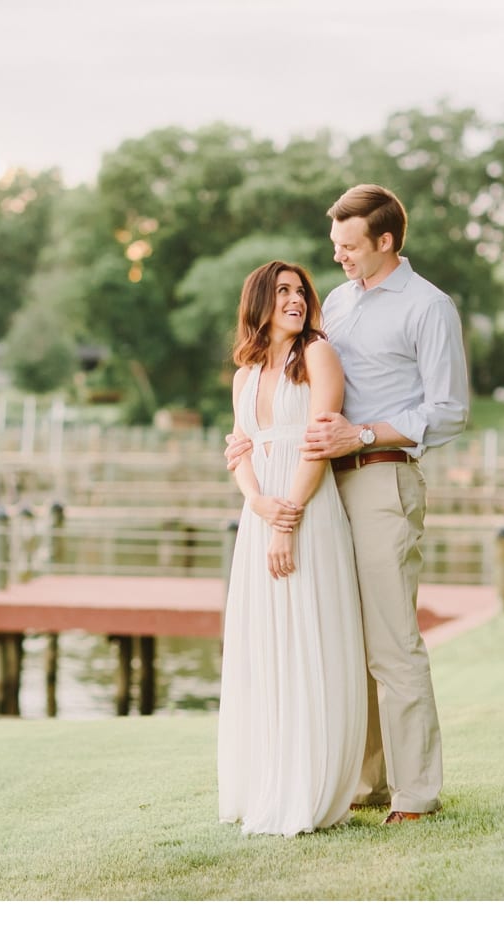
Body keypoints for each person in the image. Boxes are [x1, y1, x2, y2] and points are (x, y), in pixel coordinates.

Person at [226, 184, 470, 825]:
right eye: (334, 246)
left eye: (349, 246)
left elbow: (449, 412)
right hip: (325, 482)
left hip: (382, 476)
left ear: (385, 241)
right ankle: (366, 780)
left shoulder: (428, 306)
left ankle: (416, 795)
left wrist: (361, 434)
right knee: (340, 633)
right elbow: (304, 385)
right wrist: (255, 431)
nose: (336, 258)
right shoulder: (336, 302)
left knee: (392, 642)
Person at [217, 260, 368, 837]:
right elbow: (240, 449)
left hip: (306, 508)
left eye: (300, 291)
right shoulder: (245, 375)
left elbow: (320, 441)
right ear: (258, 301)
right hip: (261, 514)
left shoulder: (318, 356)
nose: (296, 299)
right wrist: (257, 503)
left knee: (310, 635)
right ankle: (265, 780)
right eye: (282, 291)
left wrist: (288, 519)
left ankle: (313, 785)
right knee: (265, 644)